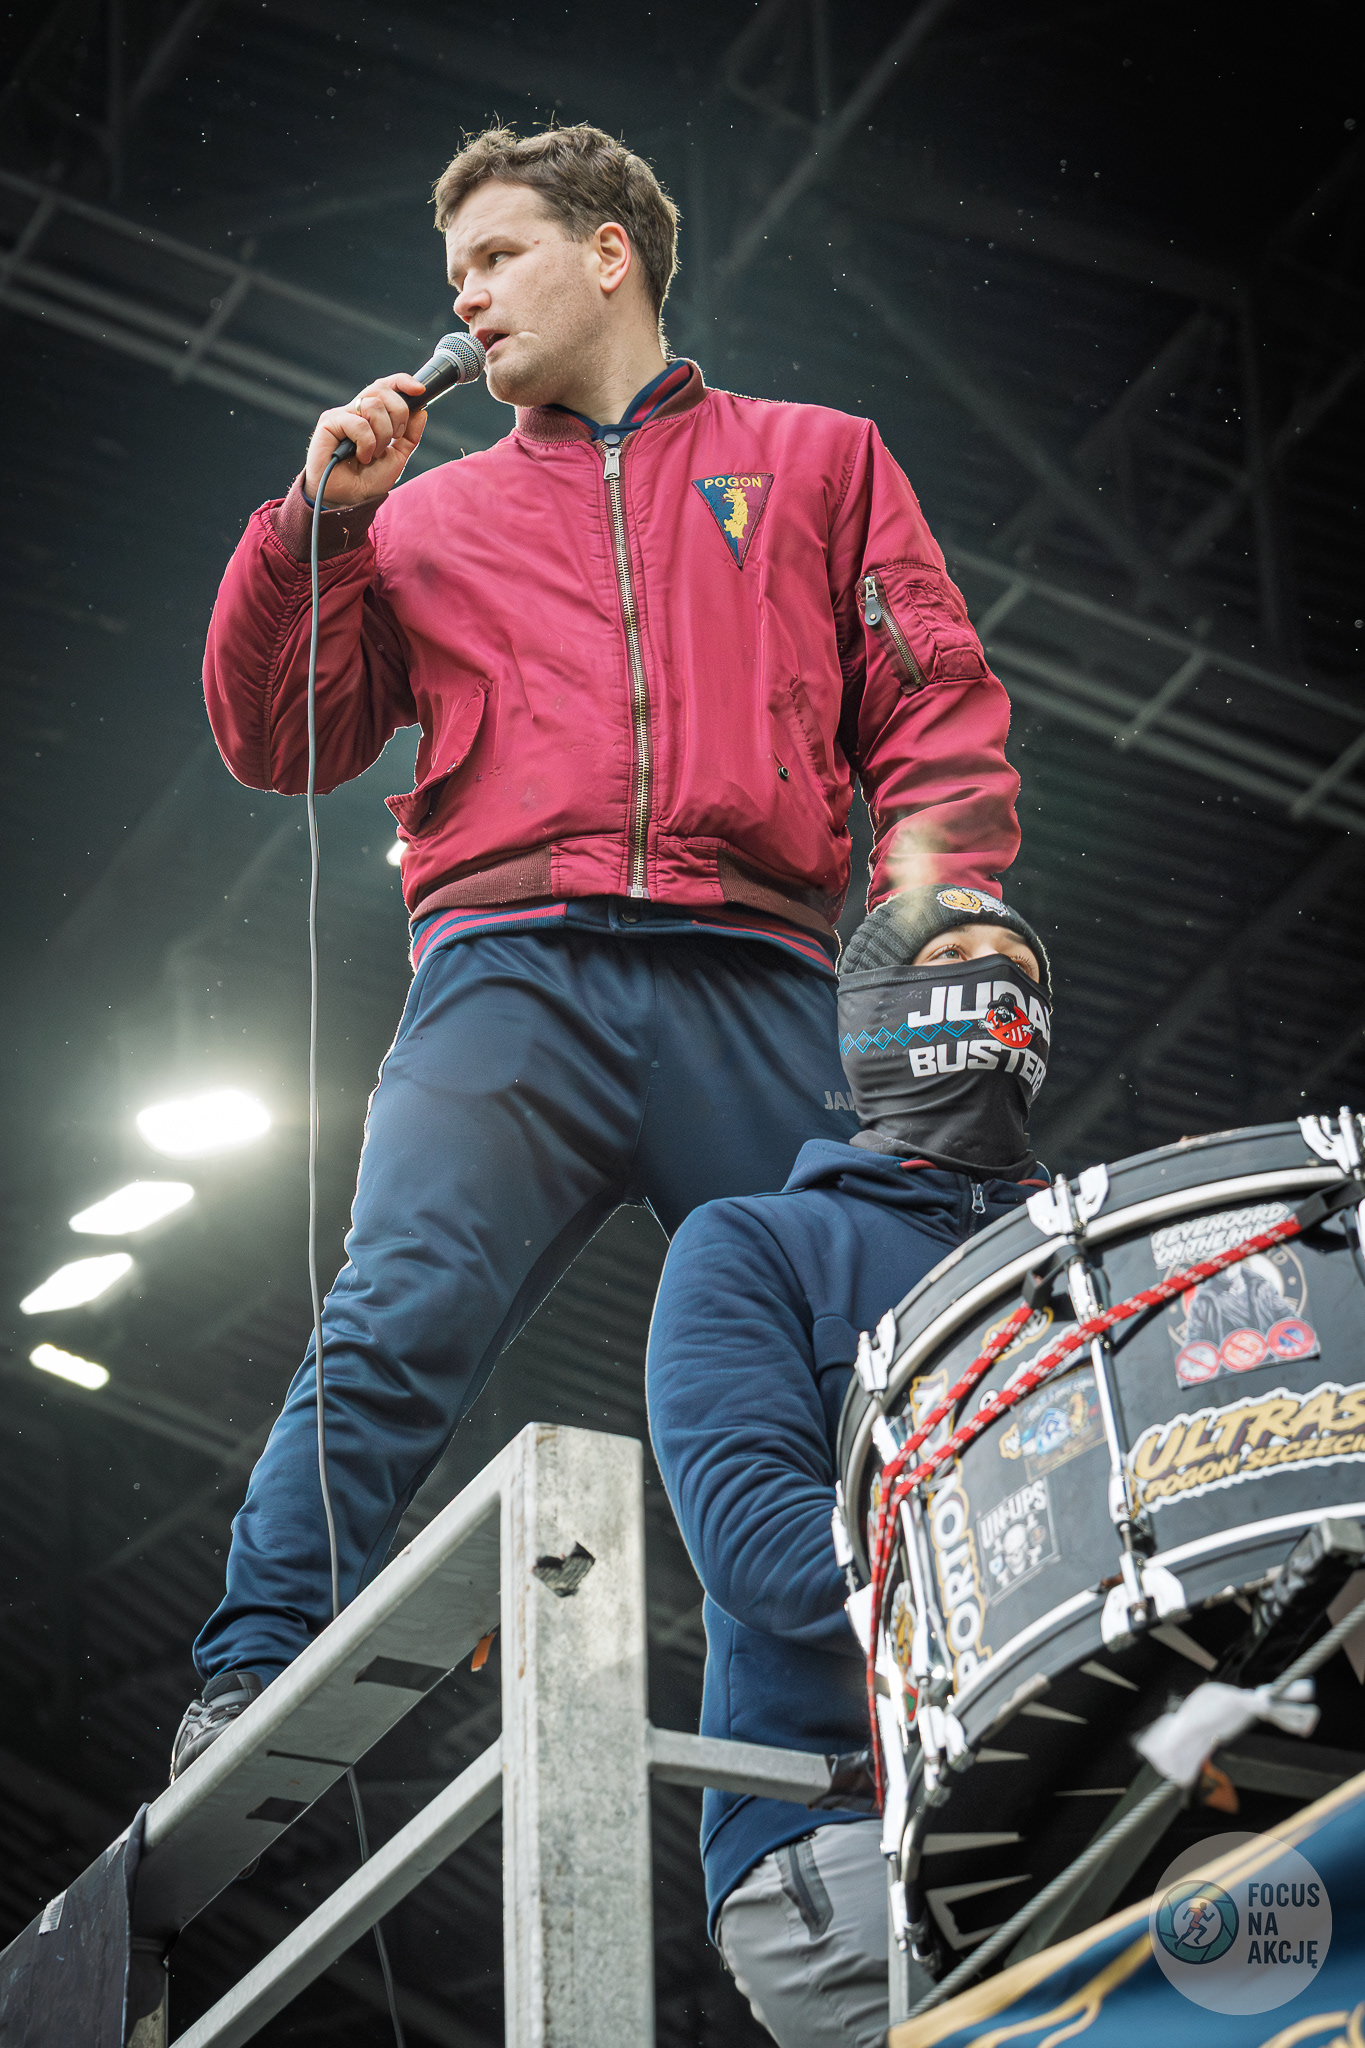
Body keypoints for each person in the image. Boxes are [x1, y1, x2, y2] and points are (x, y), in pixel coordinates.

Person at [173, 122, 1022, 1774]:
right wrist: (313, 531)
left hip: (760, 979)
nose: (467, 299)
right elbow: (278, 740)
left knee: (875, 1344)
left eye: (498, 256)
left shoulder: (821, 460)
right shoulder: (419, 517)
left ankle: (930, 1687)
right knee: (396, 1305)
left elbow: (932, 714)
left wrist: (929, 929)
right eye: (455, 276)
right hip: (511, 975)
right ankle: (251, 1670)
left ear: (611, 249)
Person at [646, 885, 1053, 2048]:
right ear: (876, 1013)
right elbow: (761, 1545)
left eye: (1022, 971)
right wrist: (1041, 1556)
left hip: (1105, 1774)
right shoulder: (757, 1241)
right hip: (846, 1812)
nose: (1000, 987)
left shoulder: (1100, 1248)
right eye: (957, 955)